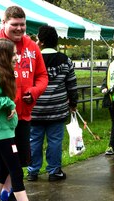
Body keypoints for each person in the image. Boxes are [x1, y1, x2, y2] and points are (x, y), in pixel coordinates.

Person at [0, 6, 48, 201]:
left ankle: (6, 196)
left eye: (22, 25)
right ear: (4, 23)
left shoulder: (32, 46)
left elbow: (43, 76)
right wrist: (5, 101)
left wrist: (33, 91)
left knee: (17, 158)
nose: (19, 28)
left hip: (22, 113)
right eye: (14, 24)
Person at [0, 39, 49, 201]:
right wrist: (9, 104)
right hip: (0, 131)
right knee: (16, 170)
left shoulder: (1, 72)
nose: (16, 57)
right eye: (13, 54)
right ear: (4, 56)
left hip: (4, 129)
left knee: (3, 170)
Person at [27, 25, 78, 182]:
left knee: (34, 140)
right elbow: (72, 85)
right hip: (57, 108)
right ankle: (54, 171)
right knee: (55, 141)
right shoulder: (66, 61)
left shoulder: (32, 60)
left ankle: (32, 171)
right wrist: (73, 103)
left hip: (35, 108)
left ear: (40, 41)